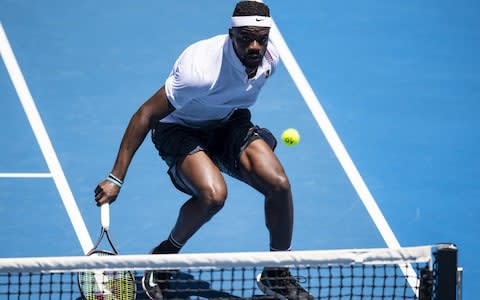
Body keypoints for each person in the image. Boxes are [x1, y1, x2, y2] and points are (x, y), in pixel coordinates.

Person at [94, 1, 313, 299]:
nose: (254, 46)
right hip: (178, 129)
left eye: (261, 38)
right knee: (213, 195)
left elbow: (235, 100)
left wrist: (244, 145)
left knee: (279, 184)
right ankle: (163, 258)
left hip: (227, 123)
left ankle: (277, 271)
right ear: (230, 35)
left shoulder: (270, 60)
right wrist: (116, 177)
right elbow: (145, 114)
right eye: (246, 37)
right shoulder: (200, 70)